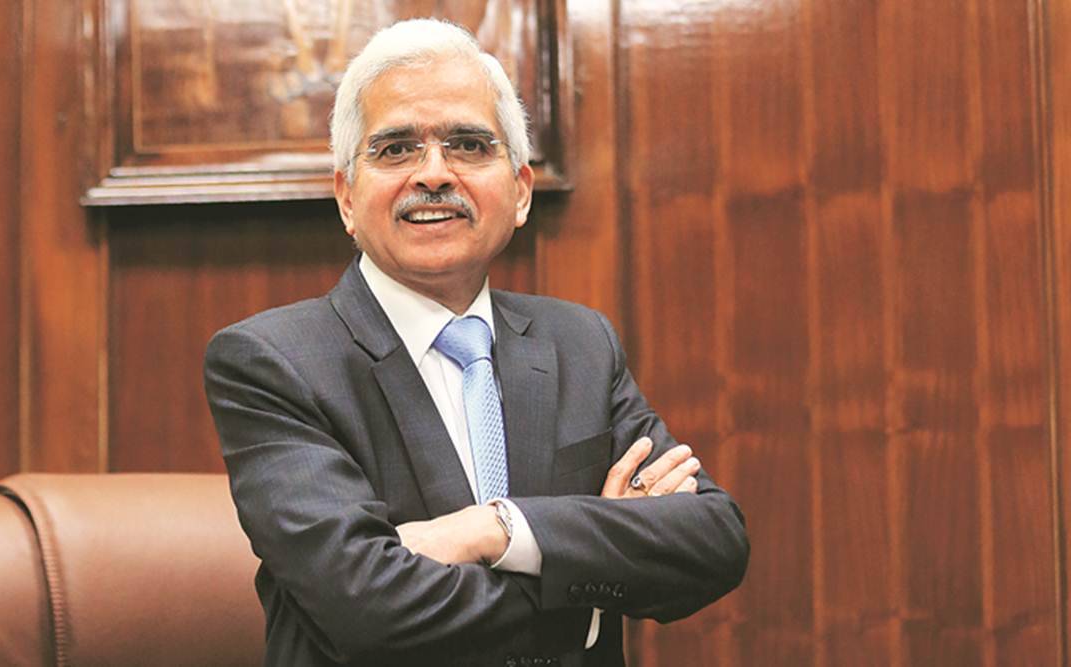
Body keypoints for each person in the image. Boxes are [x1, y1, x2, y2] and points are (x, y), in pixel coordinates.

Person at [204, 18, 748, 667]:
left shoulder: (580, 343)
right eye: (396, 149)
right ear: (347, 197)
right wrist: (590, 579)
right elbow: (369, 608)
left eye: (467, 144)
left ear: (519, 191)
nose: (434, 174)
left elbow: (712, 539)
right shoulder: (273, 362)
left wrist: (494, 527)